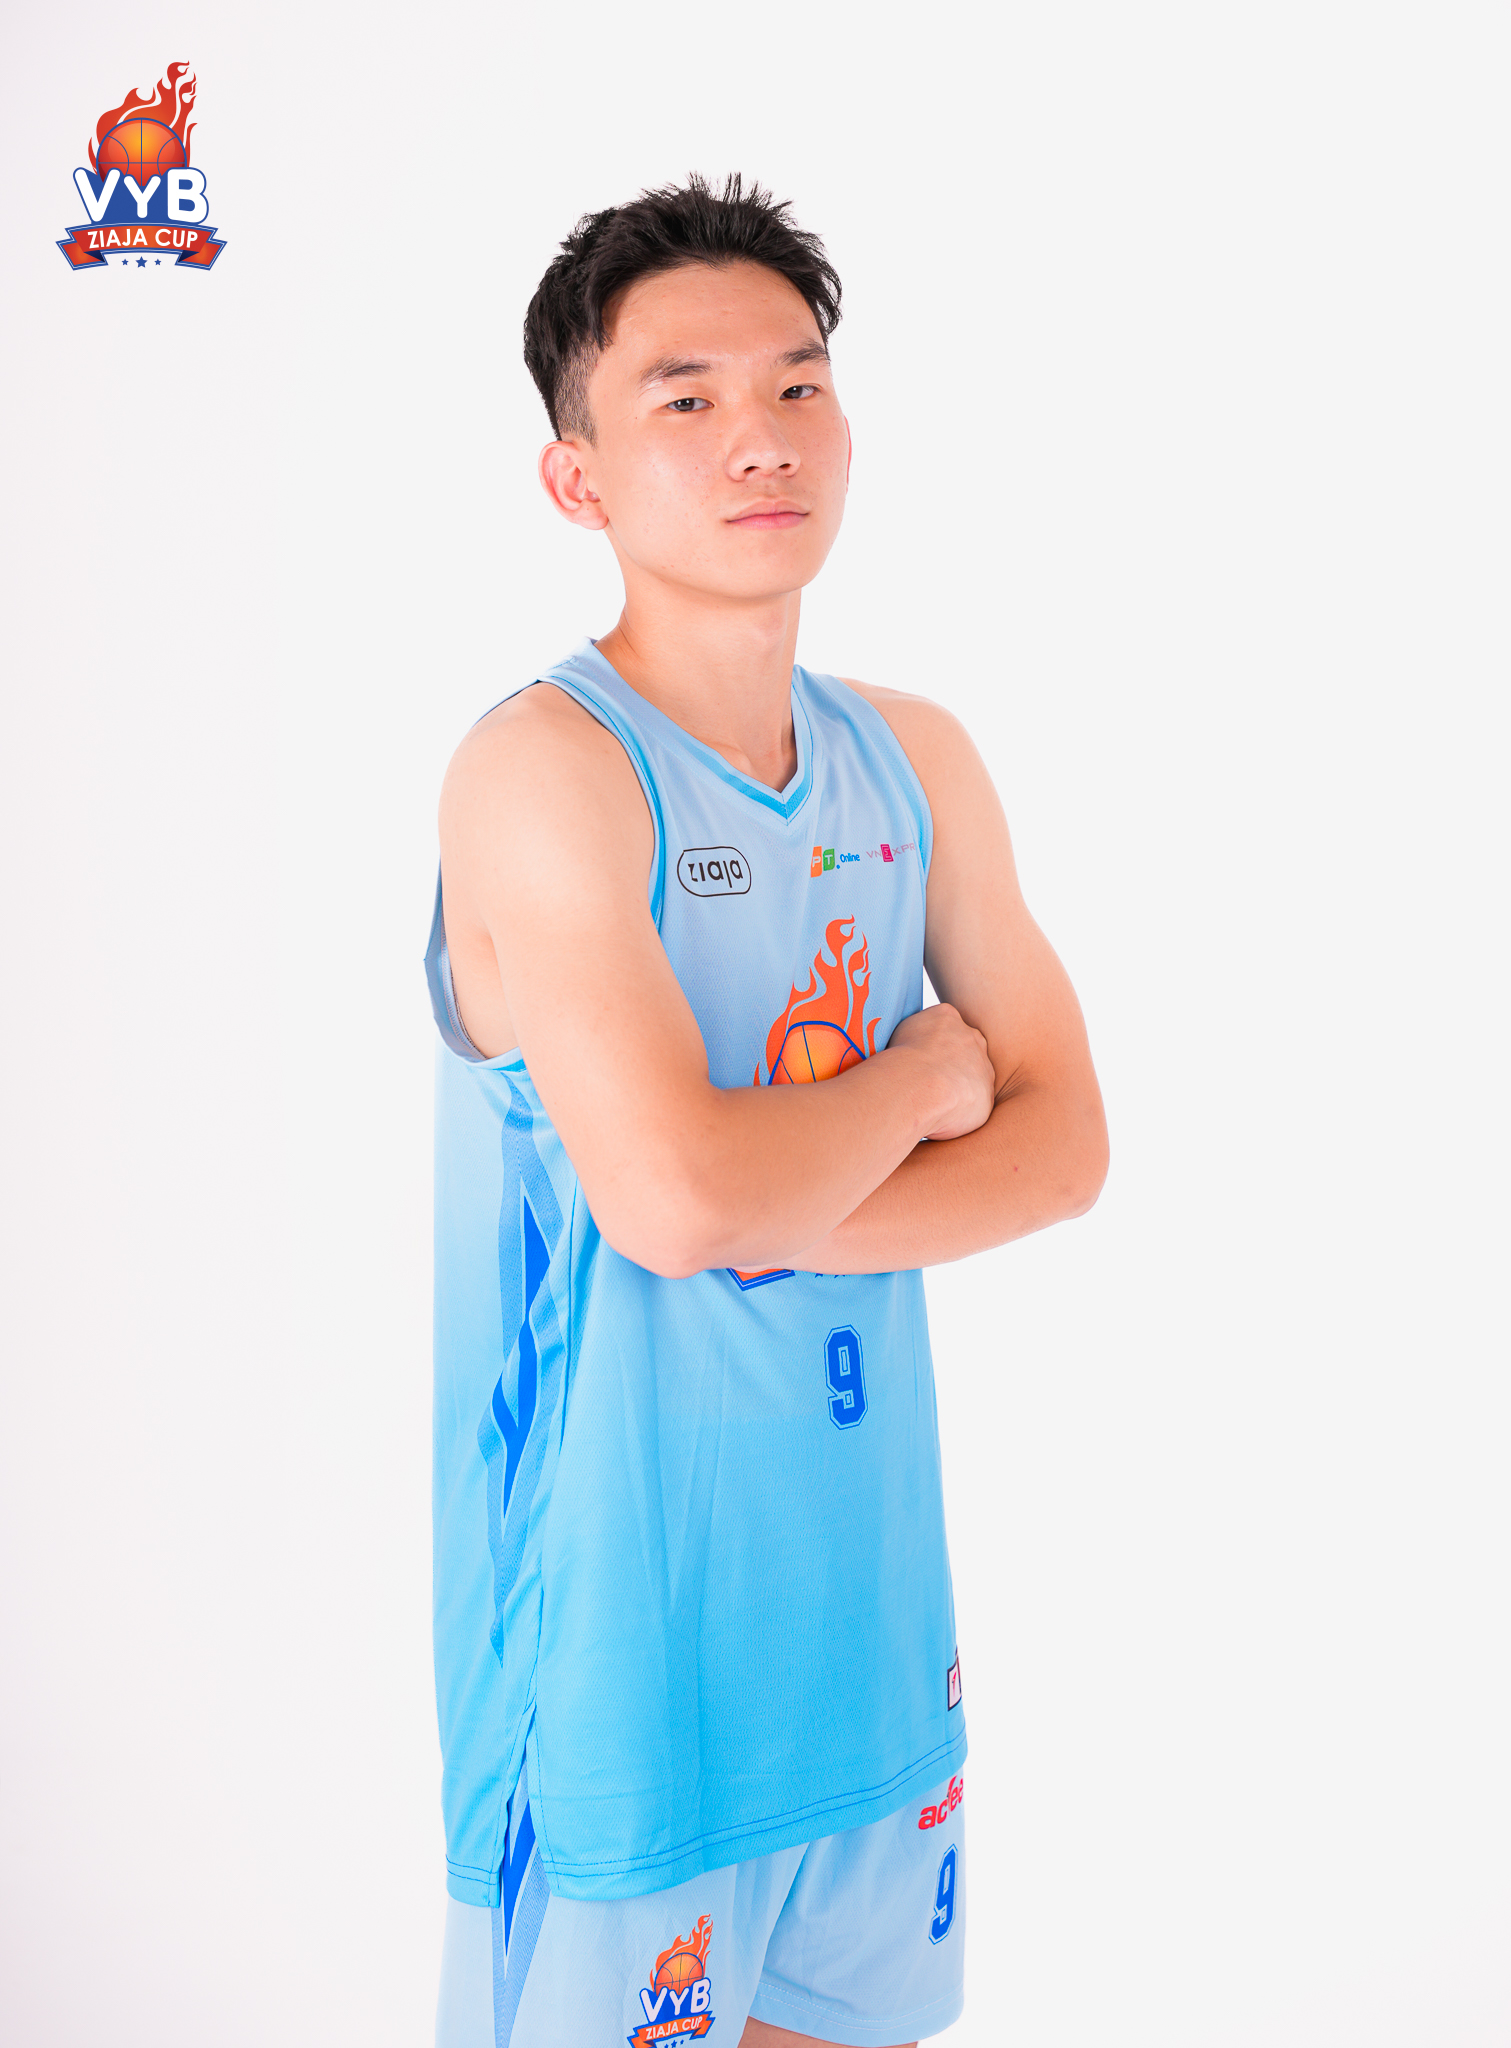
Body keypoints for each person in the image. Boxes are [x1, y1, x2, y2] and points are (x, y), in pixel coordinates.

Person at [426, 174, 1107, 2048]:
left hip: (872, 1658)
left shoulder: (918, 758)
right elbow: (670, 1204)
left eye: (800, 384)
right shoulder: (544, 771)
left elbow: (1066, 1149)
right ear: (574, 478)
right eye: (689, 396)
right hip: (627, 1674)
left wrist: (753, 1184)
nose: (762, 436)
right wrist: (924, 1080)